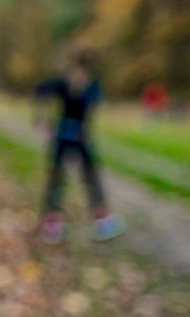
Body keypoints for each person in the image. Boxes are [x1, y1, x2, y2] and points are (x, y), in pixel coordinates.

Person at [34, 50, 122, 244]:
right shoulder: (62, 83)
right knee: (56, 179)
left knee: (91, 177)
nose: (80, 73)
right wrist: (42, 121)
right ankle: (52, 222)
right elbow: (40, 90)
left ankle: (102, 220)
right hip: (62, 136)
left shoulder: (92, 86)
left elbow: (92, 104)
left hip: (82, 138)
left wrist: (81, 91)